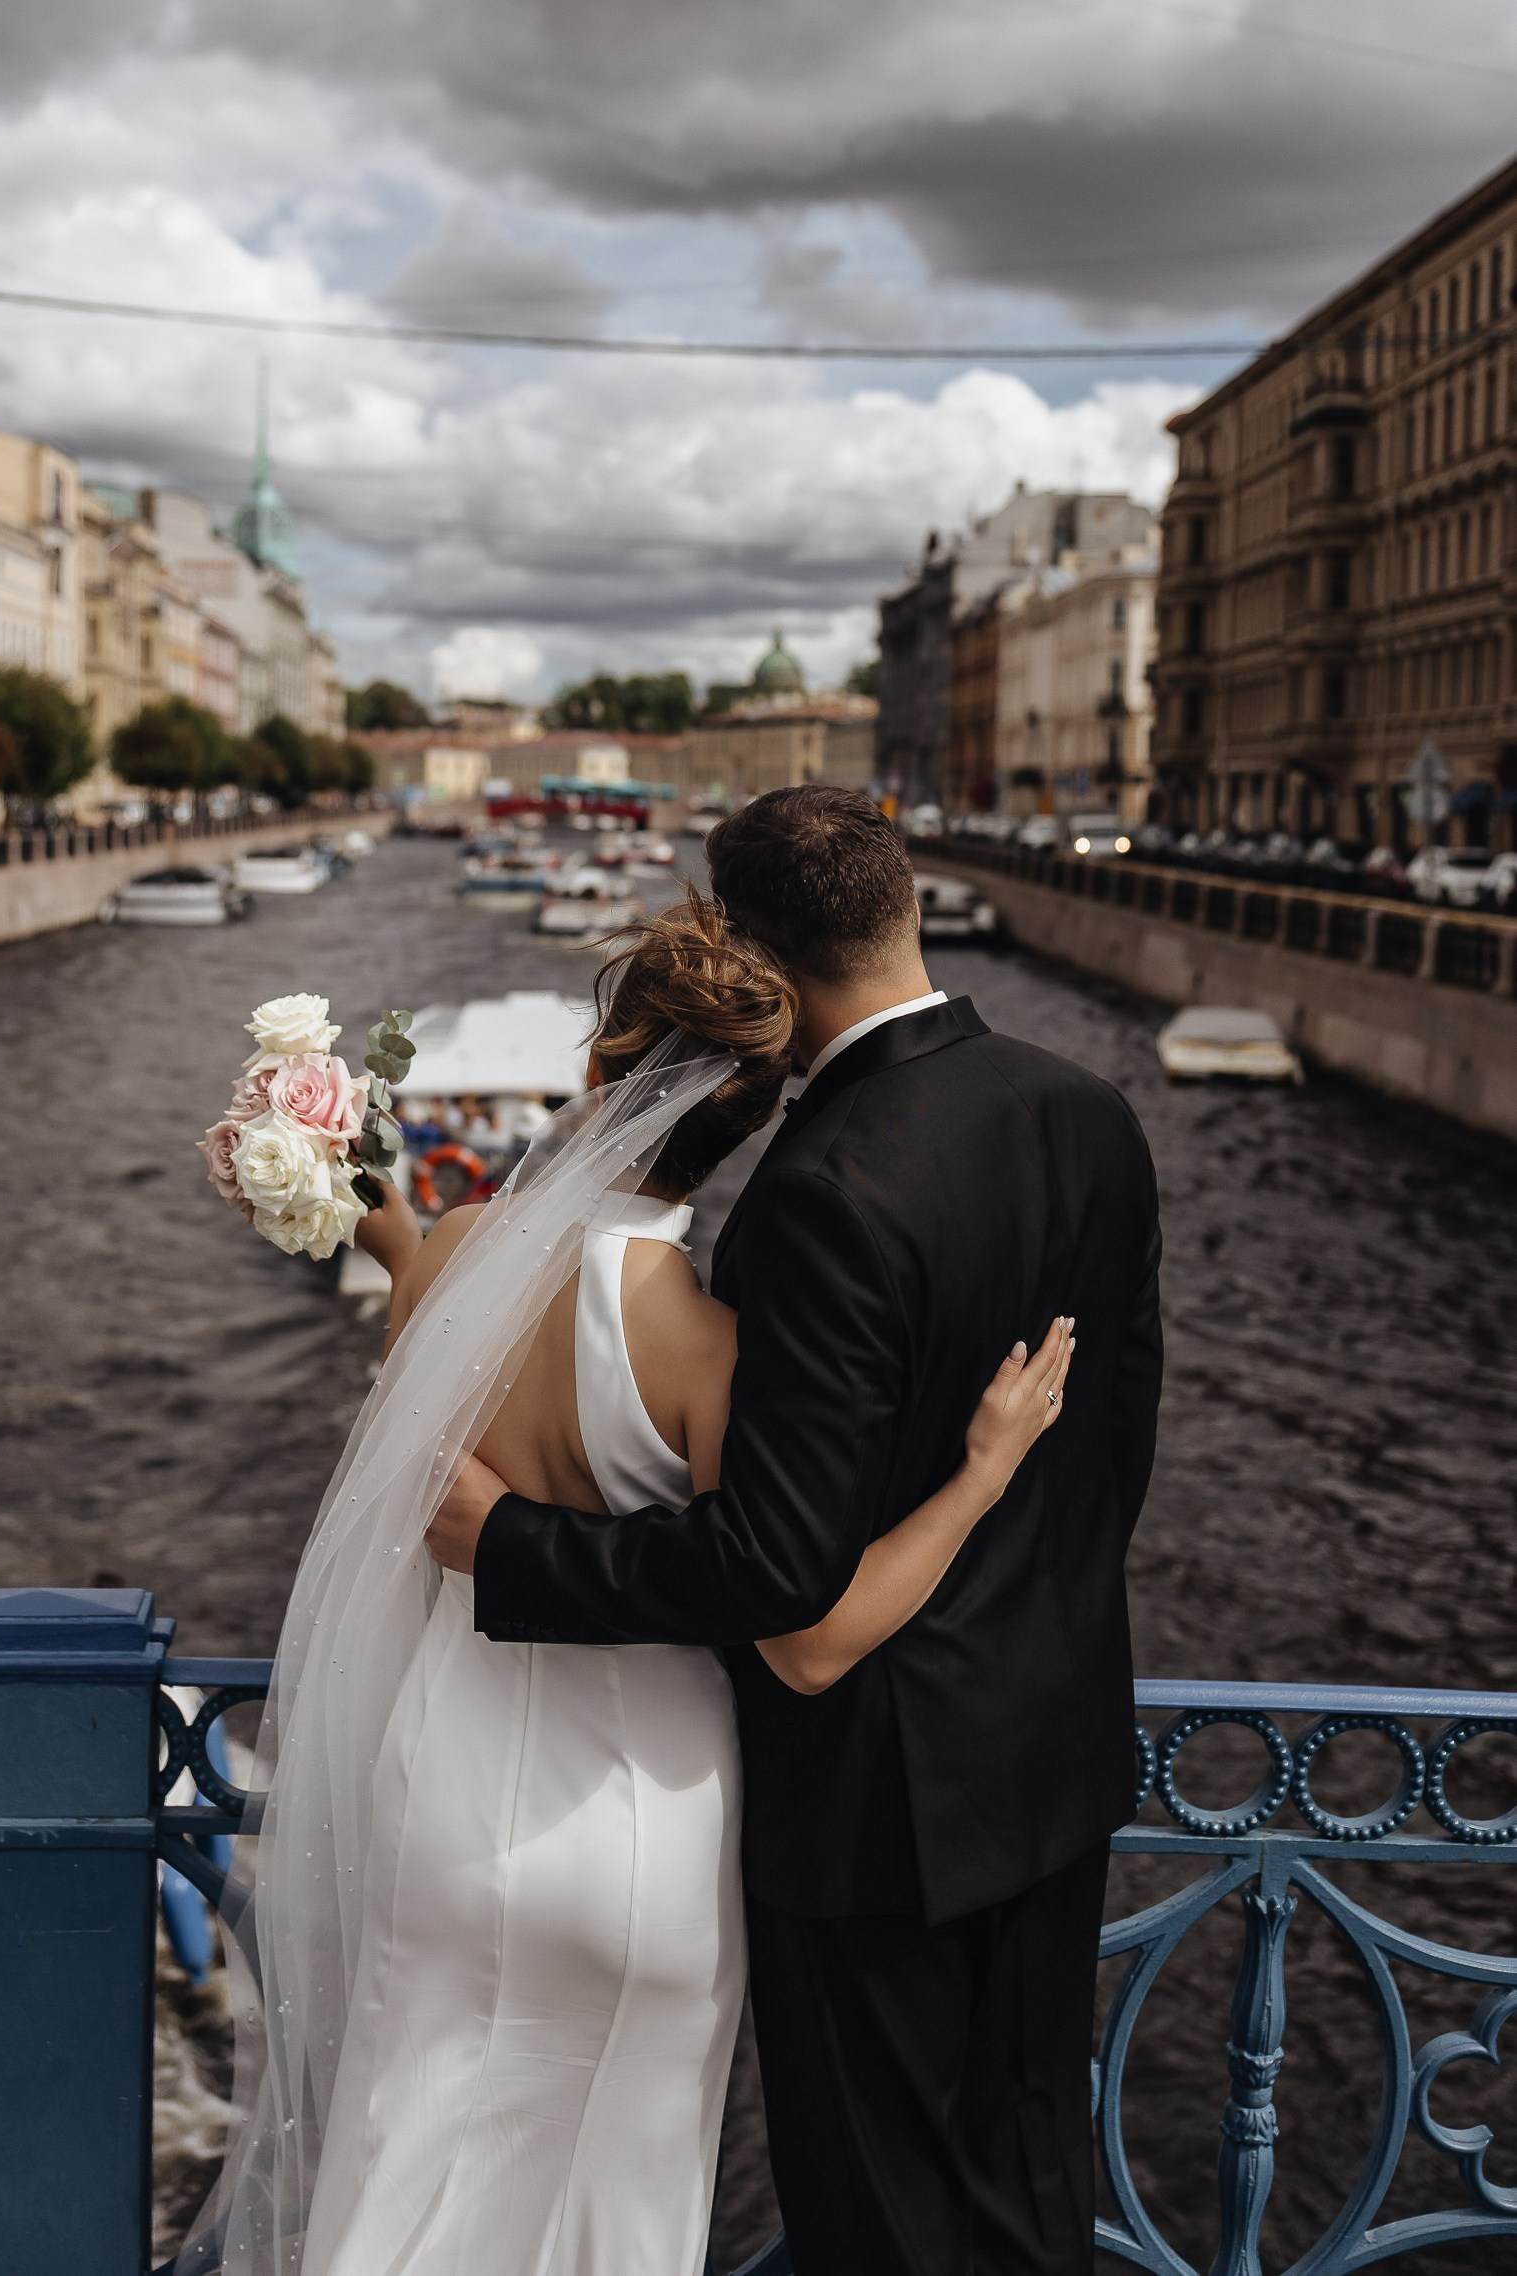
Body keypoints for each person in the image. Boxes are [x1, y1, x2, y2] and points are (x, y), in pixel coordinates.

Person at [194, 891, 1074, 2276]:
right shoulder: (712, 1352)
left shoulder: (457, 1262)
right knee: (617, 2211)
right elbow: (808, 1644)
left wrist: (347, 1188)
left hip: (442, 1804)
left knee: (405, 2159)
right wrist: (978, 1474)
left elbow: (415, 1304)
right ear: (748, 1123)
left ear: (601, 1071)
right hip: (639, 1836)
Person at [430, 786, 1164, 2276]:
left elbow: (770, 1566)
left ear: (757, 950)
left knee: (880, 2215)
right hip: (1058, 1751)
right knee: (1025, 2184)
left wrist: (505, 1545)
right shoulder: (1088, 1112)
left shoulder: (820, 1190)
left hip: (876, 1808)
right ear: (897, 901)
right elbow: (1113, 1455)